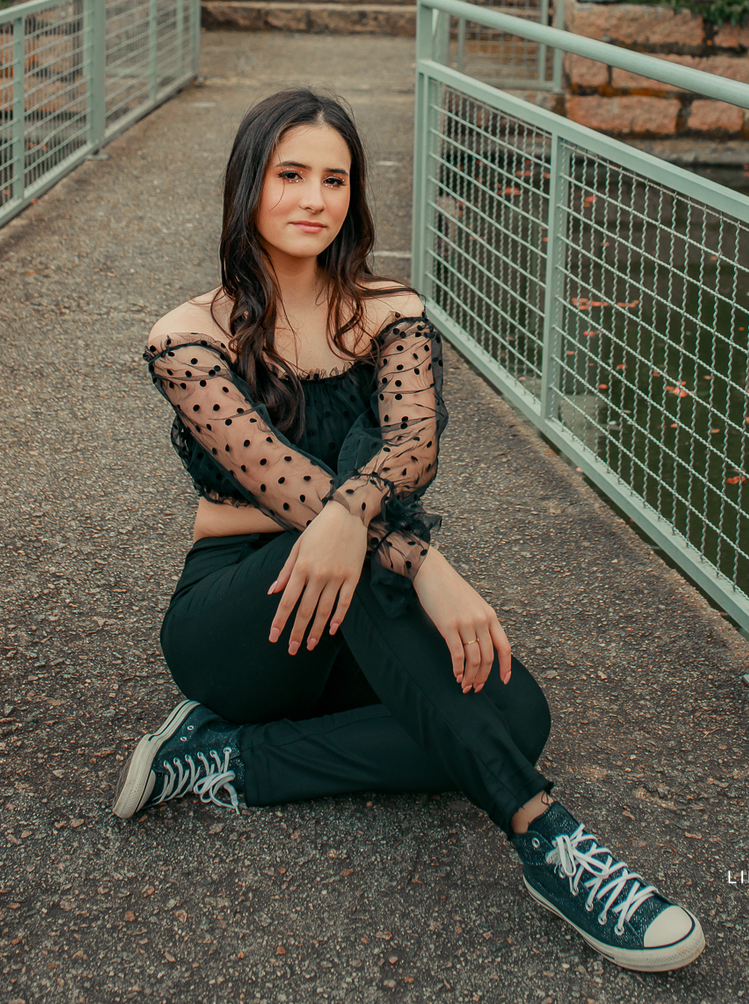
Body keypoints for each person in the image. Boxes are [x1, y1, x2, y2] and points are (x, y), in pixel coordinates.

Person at [113, 90, 705, 974]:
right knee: (346, 558)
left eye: (335, 179)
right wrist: (423, 562)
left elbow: (413, 450)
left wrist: (361, 524)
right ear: (249, 186)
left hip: (355, 601)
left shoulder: (389, 312)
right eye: (290, 175)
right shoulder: (189, 336)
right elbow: (283, 487)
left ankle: (224, 762)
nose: (315, 199)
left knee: (518, 712)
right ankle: (549, 842)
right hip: (235, 618)